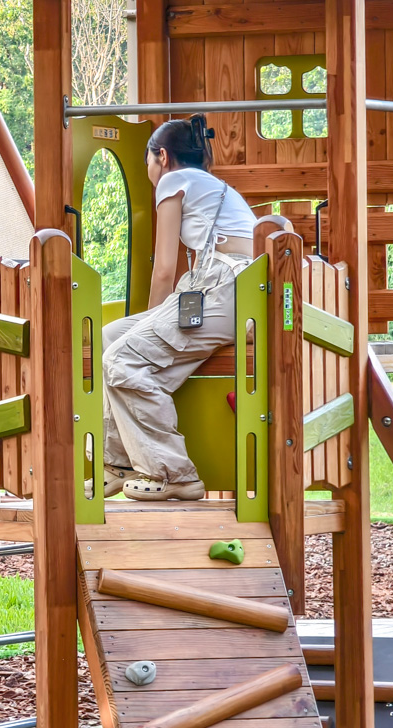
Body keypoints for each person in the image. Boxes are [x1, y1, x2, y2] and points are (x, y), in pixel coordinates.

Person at [101, 114, 257, 501]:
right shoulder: (212, 185)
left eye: (148, 163)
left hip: (225, 287)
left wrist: (148, 322)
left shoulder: (173, 181)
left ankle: (172, 473)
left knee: (123, 358)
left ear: (163, 157)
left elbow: (164, 269)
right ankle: (117, 460)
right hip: (231, 289)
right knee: (109, 338)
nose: (150, 171)